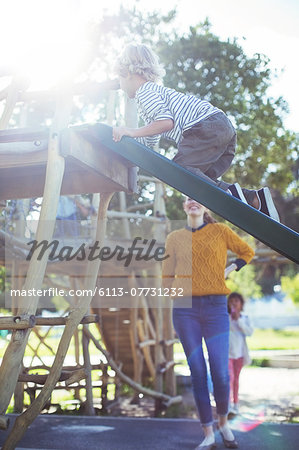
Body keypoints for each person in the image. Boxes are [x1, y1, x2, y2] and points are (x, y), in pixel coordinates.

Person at [112, 43, 279, 222]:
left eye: (119, 80)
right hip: (221, 129)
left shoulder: (145, 92)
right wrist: (129, 150)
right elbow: (150, 140)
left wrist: (129, 131)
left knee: (180, 172)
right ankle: (254, 199)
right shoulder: (152, 95)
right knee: (200, 182)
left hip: (206, 127)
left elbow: (166, 123)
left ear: (128, 74)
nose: (120, 86)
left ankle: (232, 196)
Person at [162, 197, 254, 449]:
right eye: (189, 199)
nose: (193, 202)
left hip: (215, 308)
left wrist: (230, 268)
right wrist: (177, 294)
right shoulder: (174, 238)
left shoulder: (220, 231)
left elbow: (247, 251)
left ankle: (223, 423)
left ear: (206, 206)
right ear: (184, 206)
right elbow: (166, 277)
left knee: (221, 374)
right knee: (198, 372)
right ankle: (208, 433)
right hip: (185, 311)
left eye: (199, 199)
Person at [227, 292, 253, 416]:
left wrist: (239, 320)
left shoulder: (245, 318)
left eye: (236, 301)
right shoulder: (225, 317)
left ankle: (236, 404)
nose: (233, 304)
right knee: (229, 378)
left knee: (236, 380)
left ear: (241, 303)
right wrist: (232, 318)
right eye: (231, 301)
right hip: (227, 355)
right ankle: (227, 405)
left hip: (240, 354)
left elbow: (249, 332)